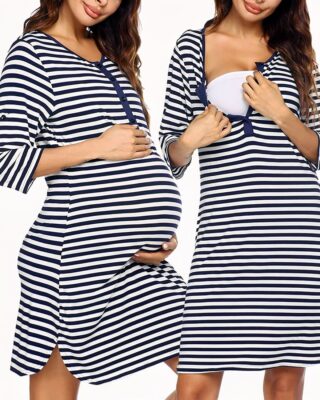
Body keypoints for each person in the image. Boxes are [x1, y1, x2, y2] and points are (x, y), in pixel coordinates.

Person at [0, 0, 187, 398]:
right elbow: (5, 159)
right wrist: (96, 146)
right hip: (73, 261)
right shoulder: (32, 54)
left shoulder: (110, 52)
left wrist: (156, 233)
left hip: (135, 260)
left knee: (203, 369)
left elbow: (137, 157)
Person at [159, 0, 320, 399]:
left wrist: (282, 114)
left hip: (294, 233)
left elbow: (316, 150)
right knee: (196, 386)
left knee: (286, 382)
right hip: (226, 233)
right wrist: (189, 140)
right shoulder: (193, 46)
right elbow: (170, 155)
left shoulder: (296, 50)